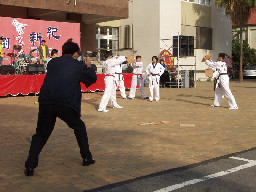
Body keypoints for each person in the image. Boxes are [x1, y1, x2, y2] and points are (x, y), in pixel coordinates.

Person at [24, 40, 97, 176]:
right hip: (66, 103)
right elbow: (91, 79)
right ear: (75, 53)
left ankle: (30, 165)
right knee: (79, 127)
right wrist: (88, 67)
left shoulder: (52, 63)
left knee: (41, 133)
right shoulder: (77, 65)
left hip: (47, 102)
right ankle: (86, 157)